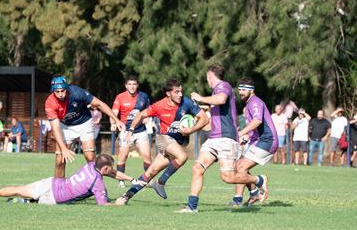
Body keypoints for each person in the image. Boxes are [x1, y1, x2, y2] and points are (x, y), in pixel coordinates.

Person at [115, 78, 209, 205]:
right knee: (182, 156)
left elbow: (204, 119)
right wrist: (131, 129)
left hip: (176, 143)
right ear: (168, 93)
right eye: (176, 92)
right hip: (164, 139)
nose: (180, 94)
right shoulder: (159, 106)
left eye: (181, 91)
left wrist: (191, 130)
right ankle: (161, 182)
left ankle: (125, 197)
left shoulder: (186, 102)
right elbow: (140, 115)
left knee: (150, 172)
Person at [176, 64, 244, 213]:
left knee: (227, 177)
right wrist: (191, 128)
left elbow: (221, 99)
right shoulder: (215, 91)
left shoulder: (223, 86)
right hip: (214, 138)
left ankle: (258, 181)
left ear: (210, 76)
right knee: (197, 168)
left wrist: (200, 98)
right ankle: (192, 207)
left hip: (226, 137)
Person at [0, 154, 146, 205]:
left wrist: (131, 179)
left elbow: (113, 173)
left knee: (19, 188)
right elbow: (103, 204)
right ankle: (26, 203)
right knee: (39, 202)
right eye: (110, 167)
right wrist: (117, 204)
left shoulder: (90, 165)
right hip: (54, 198)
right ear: (105, 168)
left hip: (51, 183)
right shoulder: (97, 183)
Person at [45, 76, 125, 179]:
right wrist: (64, 148)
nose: (60, 94)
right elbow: (55, 128)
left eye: (62, 91)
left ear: (67, 88)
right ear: (53, 91)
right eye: (57, 92)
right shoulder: (50, 102)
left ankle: (97, 186)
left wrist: (116, 119)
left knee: (90, 158)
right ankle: (58, 191)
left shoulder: (76, 92)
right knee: (60, 160)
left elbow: (99, 104)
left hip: (84, 123)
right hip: (65, 126)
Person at [226, 78, 274, 207]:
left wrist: (240, 133)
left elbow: (257, 121)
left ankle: (239, 199)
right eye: (239, 89)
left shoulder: (255, 102)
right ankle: (253, 194)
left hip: (267, 140)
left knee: (241, 167)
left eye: (243, 90)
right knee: (238, 166)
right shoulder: (249, 104)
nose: (240, 92)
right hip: (258, 140)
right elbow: (257, 126)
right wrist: (247, 135)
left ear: (251, 91)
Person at [111, 75, 152, 188]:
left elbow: (148, 111)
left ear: (137, 85)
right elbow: (113, 113)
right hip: (125, 131)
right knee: (123, 156)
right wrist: (114, 123)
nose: (132, 87)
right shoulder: (120, 97)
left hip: (140, 131)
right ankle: (121, 180)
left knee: (147, 155)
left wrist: (147, 118)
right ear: (126, 86)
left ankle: (148, 180)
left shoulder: (143, 96)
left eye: (134, 84)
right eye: (129, 84)